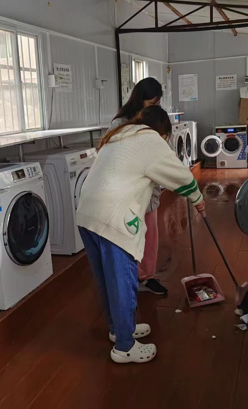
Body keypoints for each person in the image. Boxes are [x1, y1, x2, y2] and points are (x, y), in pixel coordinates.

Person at [77, 106, 205, 364]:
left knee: (106, 280)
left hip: (88, 215)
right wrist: (198, 199)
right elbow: (180, 174)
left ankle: (119, 329)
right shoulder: (150, 139)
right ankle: (125, 347)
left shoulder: (120, 134)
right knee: (123, 281)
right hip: (113, 219)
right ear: (163, 131)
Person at [108, 77, 167, 295]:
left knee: (150, 237)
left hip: (149, 191)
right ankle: (128, 280)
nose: (155, 107)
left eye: (157, 103)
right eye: (151, 103)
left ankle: (147, 277)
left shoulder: (153, 121)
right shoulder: (120, 124)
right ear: (139, 99)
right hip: (128, 193)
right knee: (129, 237)